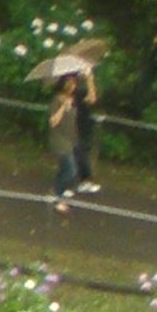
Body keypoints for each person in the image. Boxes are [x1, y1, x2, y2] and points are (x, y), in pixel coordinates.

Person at [47, 50, 101, 211]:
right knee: (70, 169)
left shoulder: (75, 97)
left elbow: (91, 99)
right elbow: (53, 121)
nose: (73, 86)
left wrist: (90, 78)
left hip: (72, 137)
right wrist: (64, 107)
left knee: (66, 167)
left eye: (74, 83)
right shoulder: (57, 100)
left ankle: (56, 192)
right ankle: (58, 195)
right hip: (60, 138)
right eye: (70, 84)